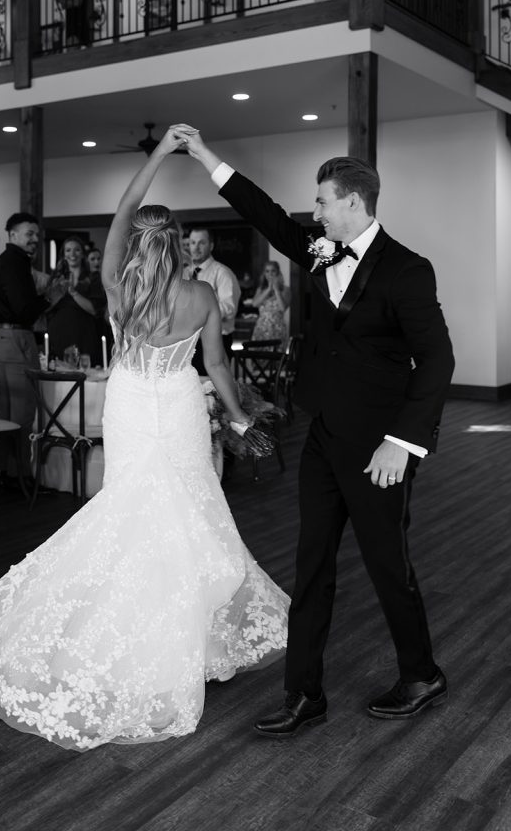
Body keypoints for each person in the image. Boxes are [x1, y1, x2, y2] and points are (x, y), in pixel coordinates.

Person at [0, 124, 289, 750]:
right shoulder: (198, 296)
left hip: (133, 405)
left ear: (139, 244)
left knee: (131, 512)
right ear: (177, 248)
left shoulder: (118, 288)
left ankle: (140, 633)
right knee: (190, 513)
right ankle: (186, 637)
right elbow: (217, 368)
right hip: (181, 405)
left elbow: (124, 208)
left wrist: (162, 153)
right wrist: (242, 420)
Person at [184, 129, 455, 734]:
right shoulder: (318, 249)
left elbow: (437, 361)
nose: (316, 211)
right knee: (312, 564)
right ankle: (303, 693)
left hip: (379, 446)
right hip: (324, 436)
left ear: (354, 203)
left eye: (324, 201)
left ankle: (421, 673)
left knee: (389, 565)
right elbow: (264, 214)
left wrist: (402, 443)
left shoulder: (408, 271)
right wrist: (205, 157)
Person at [0, 213, 55, 482]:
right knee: (23, 409)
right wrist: (49, 297)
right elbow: (23, 309)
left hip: (5, 336)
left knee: (8, 408)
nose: (35, 239)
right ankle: (20, 476)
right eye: (29, 234)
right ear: (12, 235)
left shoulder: (9, 261)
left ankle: (6, 470)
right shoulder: (14, 262)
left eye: (37, 235)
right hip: (15, 337)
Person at [186, 225, 241, 375]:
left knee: (213, 390)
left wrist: (200, 315)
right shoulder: (185, 272)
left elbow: (229, 308)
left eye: (201, 243)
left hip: (217, 340)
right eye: (192, 243)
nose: (196, 248)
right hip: (189, 342)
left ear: (211, 245)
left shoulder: (222, 273)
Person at [46, 236, 100, 364]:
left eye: (77, 250)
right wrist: (58, 292)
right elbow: (47, 307)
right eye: (68, 250)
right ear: (64, 255)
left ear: (83, 254)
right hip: (59, 332)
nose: (72, 254)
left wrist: (74, 293)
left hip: (84, 333)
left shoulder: (93, 278)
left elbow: (94, 309)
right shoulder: (56, 278)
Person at [247, 260, 290, 347]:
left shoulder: (285, 290)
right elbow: (255, 304)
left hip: (278, 327)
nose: (270, 274)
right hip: (262, 327)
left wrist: (276, 290)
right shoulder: (260, 289)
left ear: (277, 272)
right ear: (264, 273)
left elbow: (283, 308)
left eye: (273, 271)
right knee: (257, 356)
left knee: (276, 356)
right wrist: (268, 290)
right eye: (267, 271)